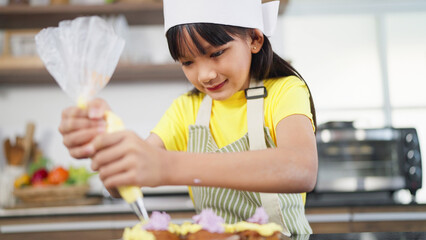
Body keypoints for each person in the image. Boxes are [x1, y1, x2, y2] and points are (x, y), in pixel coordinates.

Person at [58, 0, 317, 235]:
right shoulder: (187, 109)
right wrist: (106, 142)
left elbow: (301, 168)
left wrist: (166, 167)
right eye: (187, 62)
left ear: (254, 39)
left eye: (216, 53)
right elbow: (120, 184)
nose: (204, 75)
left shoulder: (285, 91)